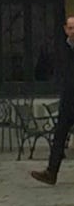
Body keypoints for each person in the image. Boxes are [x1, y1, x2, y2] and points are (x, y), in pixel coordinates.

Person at [31, 14, 74, 186]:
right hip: (68, 100)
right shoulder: (61, 49)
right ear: (65, 30)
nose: (73, 31)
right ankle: (51, 172)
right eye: (70, 28)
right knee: (59, 136)